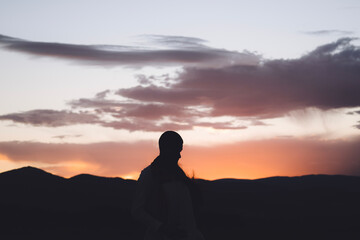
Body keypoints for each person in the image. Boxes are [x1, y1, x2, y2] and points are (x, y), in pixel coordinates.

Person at [132, 131, 204, 240]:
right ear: (167, 149)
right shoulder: (149, 175)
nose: (179, 155)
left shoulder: (181, 177)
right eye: (177, 150)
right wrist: (161, 227)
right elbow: (137, 211)